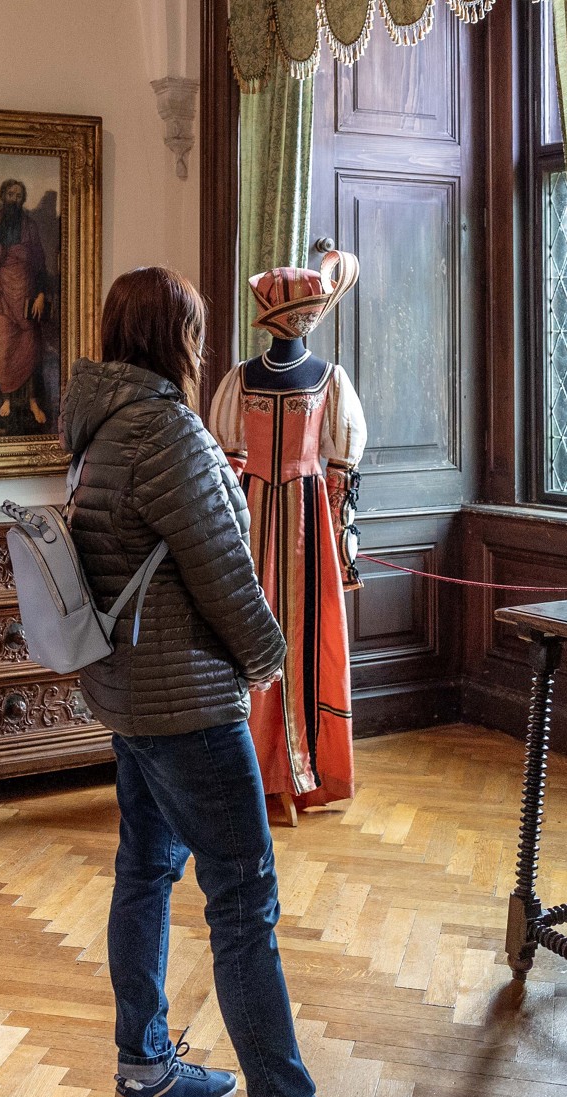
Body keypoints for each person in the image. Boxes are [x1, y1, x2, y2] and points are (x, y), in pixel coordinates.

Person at [63, 265, 409, 1097]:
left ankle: (145, 1069)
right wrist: (268, 661)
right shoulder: (164, 429)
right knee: (244, 900)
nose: (204, 344)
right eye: (195, 329)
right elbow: (223, 566)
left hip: (129, 693)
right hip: (186, 700)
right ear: (176, 336)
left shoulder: (97, 426)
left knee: (145, 870)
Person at [206, 250, 367, 815]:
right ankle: (254, 766)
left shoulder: (328, 379)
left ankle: (301, 766)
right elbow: (228, 457)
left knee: (303, 635)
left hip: (305, 521)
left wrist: (341, 545)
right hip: (255, 518)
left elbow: (340, 467)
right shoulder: (241, 379)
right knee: (250, 631)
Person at [0, 178, 52, 425]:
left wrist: (41, 294)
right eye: (11, 194)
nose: (15, 199)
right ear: (3, 196)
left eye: (19, 195)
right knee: (3, 347)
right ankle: (6, 397)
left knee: (29, 348)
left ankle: (32, 401)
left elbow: (40, 262)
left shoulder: (30, 226)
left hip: (26, 294)